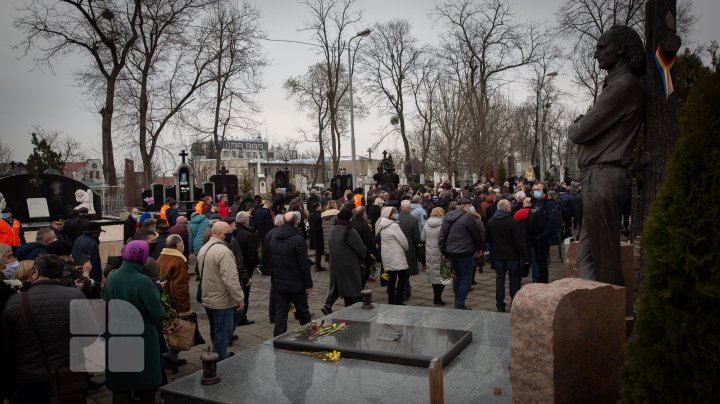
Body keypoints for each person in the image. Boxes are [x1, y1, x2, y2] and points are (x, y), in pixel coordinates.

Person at [568, 25, 644, 286]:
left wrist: (575, 125)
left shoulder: (623, 86)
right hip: (596, 177)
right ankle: (595, 306)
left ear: (620, 48)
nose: (596, 54)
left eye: (602, 47)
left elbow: (580, 132)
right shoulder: (615, 85)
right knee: (585, 256)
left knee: (605, 258)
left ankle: (611, 313)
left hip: (604, 175)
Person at [2, 254, 88, 404]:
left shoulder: (14, 301)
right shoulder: (75, 295)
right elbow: (90, 335)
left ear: (35, 273)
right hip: (67, 372)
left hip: (29, 376)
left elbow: (6, 345)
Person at [103, 241, 164, 404]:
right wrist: (157, 291)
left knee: (121, 384)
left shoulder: (112, 277)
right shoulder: (143, 281)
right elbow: (156, 312)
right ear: (143, 257)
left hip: (116, 334)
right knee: (145, 385)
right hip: (142, 337)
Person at [196, 222, 245, 360]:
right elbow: (231, 278)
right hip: (221, 300)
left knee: (216, 330)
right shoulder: (224, 251)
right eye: (228, 231)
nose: (231, 233)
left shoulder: (204, 248)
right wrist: (239, 298)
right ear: (218, 234)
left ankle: (218, 354)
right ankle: (219, 358)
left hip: (208, 297)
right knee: (223, 332)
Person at [269, 212, 313, 337]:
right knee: (303, 311)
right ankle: (308, 334)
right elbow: (304, 265)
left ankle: (278, 337)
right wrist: (308, 284)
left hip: (279, 282)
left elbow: (270, 260)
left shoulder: (274, 236)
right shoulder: (298, 239)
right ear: (296, 222)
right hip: (296, 284)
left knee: (281, 311)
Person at [440, 197, 484, 310]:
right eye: (469, 206)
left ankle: (458, 298)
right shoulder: (467, 217)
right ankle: (459, 303)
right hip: (465, 252)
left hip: (450, 252)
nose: (470, 208)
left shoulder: (447, 216)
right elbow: (475, 234)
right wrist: (480, 249)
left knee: (457, 275)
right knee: (465, 278)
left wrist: (443, 251)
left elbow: (442, 235)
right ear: (464, 206)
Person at [157, 234, 193, 371]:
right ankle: (169, 356)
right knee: (178, 330)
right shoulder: (178, 261)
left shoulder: (161, 257)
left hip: (165, 300)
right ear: (178, 245)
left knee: (170, 330)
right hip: (175, 302)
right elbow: (180, 287)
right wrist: (184, 308)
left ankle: (172, 359)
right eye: (182, 243)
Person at [487, 199, 529, 312]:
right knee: (514, 280)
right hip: (512, 256)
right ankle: (515, 303)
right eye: (509, 207)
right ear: (505, 208)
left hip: (498, 256)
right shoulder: (513, 222)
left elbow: (488, 239)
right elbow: (520, 242)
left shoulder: (491, 221)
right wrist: (525, 257)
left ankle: (500, 305)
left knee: (499, 280)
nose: (511, 208)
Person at [328, 209, 367, 307]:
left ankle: (328, 305)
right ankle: (350, 312)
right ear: (349, 218)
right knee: (351, 290)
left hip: (335, 263)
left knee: (341, 288)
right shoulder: (350, 231)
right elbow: (361, 249)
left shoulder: (333, 229)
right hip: (350, 265)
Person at [375, 206, 409, 305]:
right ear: (389, 215)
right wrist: (407, 247)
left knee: (391, 279)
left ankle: (391, 300)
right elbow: (403, 241)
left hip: (388, 256)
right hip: (397, 256)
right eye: (394, 213)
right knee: (403, 277)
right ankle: (398, 300)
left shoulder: (383, 225)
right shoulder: (394, 226)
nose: (396, 214)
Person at [527, 182, 558, 283]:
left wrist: (542, 236)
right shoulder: (535, 202)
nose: (535, 192)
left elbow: (552, 223)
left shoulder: (549, 204)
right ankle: (538, 281)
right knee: (536, 261)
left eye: (538, 190)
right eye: (534, 190)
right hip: (533, 237)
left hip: (542, 239)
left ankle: (543, 283)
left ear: (544, 191)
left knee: (542, 263)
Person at [234, 212, 257, 326]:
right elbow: (252, 255)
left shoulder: (232, 232)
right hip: (245, 268)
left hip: (234, 268)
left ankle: (237, 317)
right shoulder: (247, 235)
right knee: (244, 294)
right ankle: (242, 318)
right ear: (245, 221)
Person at [422, 207, 447, 305]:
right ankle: (438, 298)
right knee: (444, 276)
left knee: (433, 275)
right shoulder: (444, 225)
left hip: (430, 253)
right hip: (442, 253)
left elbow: (422, 237)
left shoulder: (427, 224)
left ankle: (435, 297)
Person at [351, 206, 379, 287]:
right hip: (362, 253)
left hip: (352, 252)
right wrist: (376, 253)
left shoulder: (351, 222)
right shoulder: (364, 225)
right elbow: (369, 242)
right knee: (364, 273)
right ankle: (359, 292)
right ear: (363, 214)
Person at [398, 200, 420, 300]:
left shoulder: (395, 217)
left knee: (402, 271)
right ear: (409, 208)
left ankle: (406, 291)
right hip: (409, 247)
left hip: (397, 245)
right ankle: (403, 292)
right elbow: (417, 238)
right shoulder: (413, 220)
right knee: (406, 271)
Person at [320, 200, 339, 264]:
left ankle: (330, 264)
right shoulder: (337, 213)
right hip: (335, 234)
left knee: (328, 249)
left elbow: (322, 225)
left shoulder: (323, 214)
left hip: (326, 234)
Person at [308, 201, 325, 272]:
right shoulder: (319, 216)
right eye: (320, 206)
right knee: (319, 251)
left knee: (317, 251)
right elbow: (320, 227)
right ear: (317, 207)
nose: (320, 207)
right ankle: (318, 266)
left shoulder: (311, 215)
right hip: (319, 235)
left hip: (312, 235)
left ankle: (317, 265)